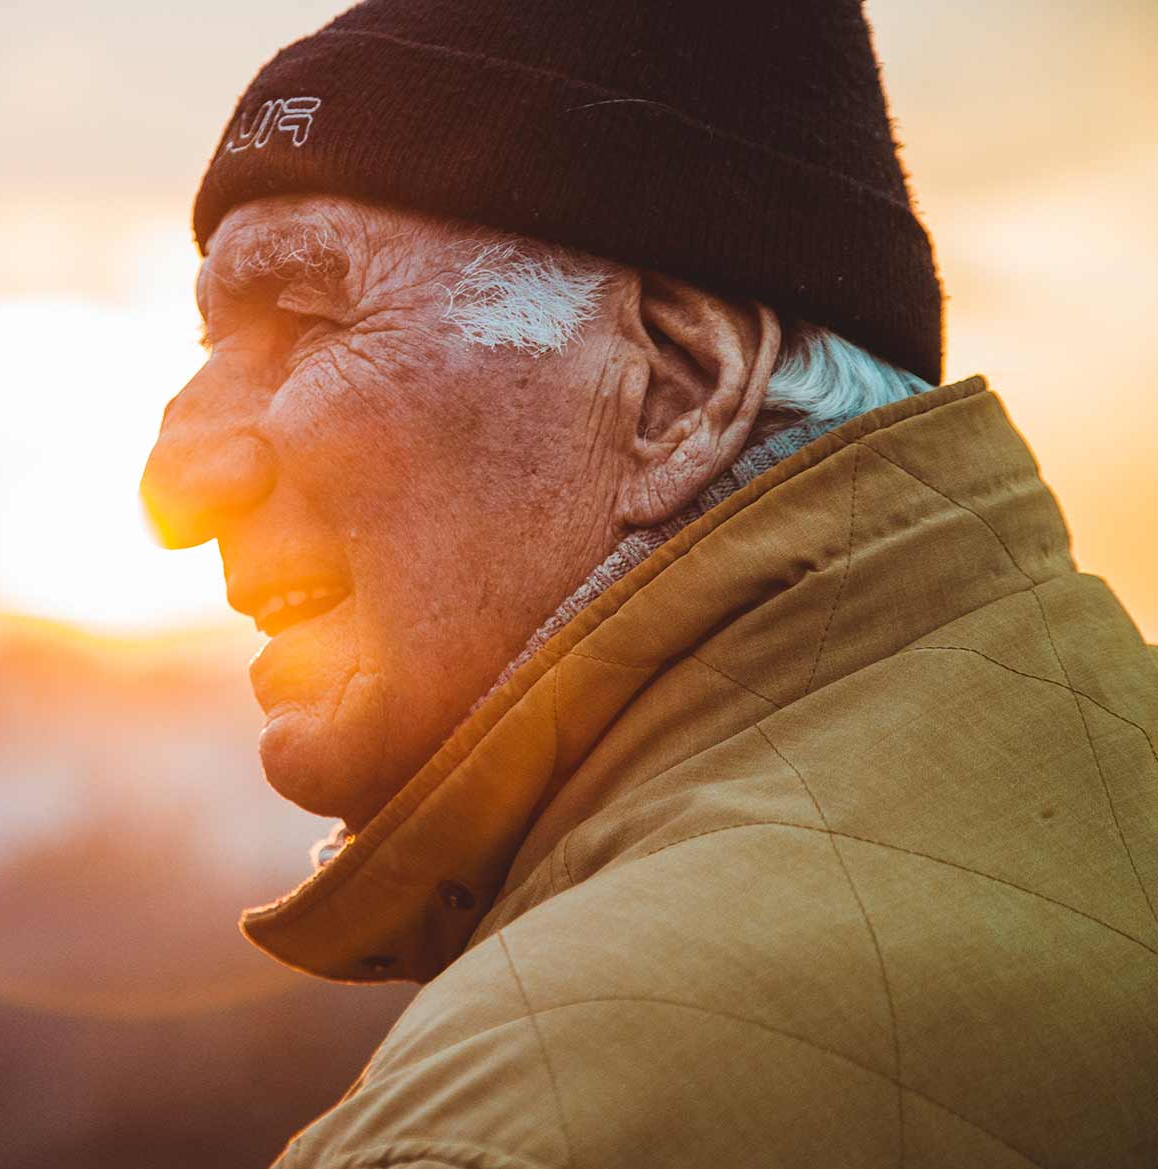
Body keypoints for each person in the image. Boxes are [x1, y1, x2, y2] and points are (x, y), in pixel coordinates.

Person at [139, 2, 1158, 1165]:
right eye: (207, 346)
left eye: (311, 321)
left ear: (678, 390)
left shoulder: (501, 1126)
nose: (176, 482)